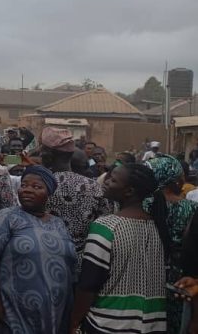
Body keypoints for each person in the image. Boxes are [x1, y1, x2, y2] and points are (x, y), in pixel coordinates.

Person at [70, 164, 169, 333]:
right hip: (152, 324)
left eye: (113, 180)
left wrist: (72, 323)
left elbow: (88, 284)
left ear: (129, 191)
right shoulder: (157, 226)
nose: (106, 181)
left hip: (109, 323)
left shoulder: (105, 227)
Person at [0, 165, 76, 334]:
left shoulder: (58, 224)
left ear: (49, 193)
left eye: (37, 187)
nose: (27, 190)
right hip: (12, 317)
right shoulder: (6, 218)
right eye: (24, 185)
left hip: (55, 317)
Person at [40, 127, 112, 272]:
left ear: (47, 155)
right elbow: (105, 223)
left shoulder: (40, 185)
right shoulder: (93, 186)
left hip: (44, 259)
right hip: (83, 262)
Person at [143, 155, 198, 333]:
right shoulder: (191, 208)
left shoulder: (140, 206)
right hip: (181, 280)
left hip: (146, 275)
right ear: (175, 181)